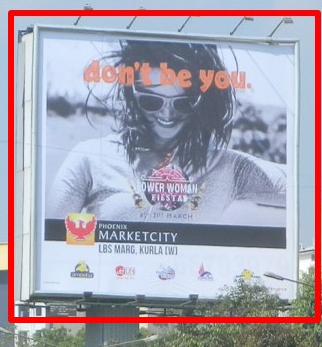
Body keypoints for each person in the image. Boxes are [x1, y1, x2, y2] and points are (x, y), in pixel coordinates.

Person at [46, 39, 287, 227]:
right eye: (151, 102)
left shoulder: (227, 167)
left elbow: (303, 188)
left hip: (195, 286)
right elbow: (50, 238)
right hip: (109, 287)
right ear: (133, 97)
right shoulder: (90, 158)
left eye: (183, 103)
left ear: (200, 103)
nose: (167, 115)